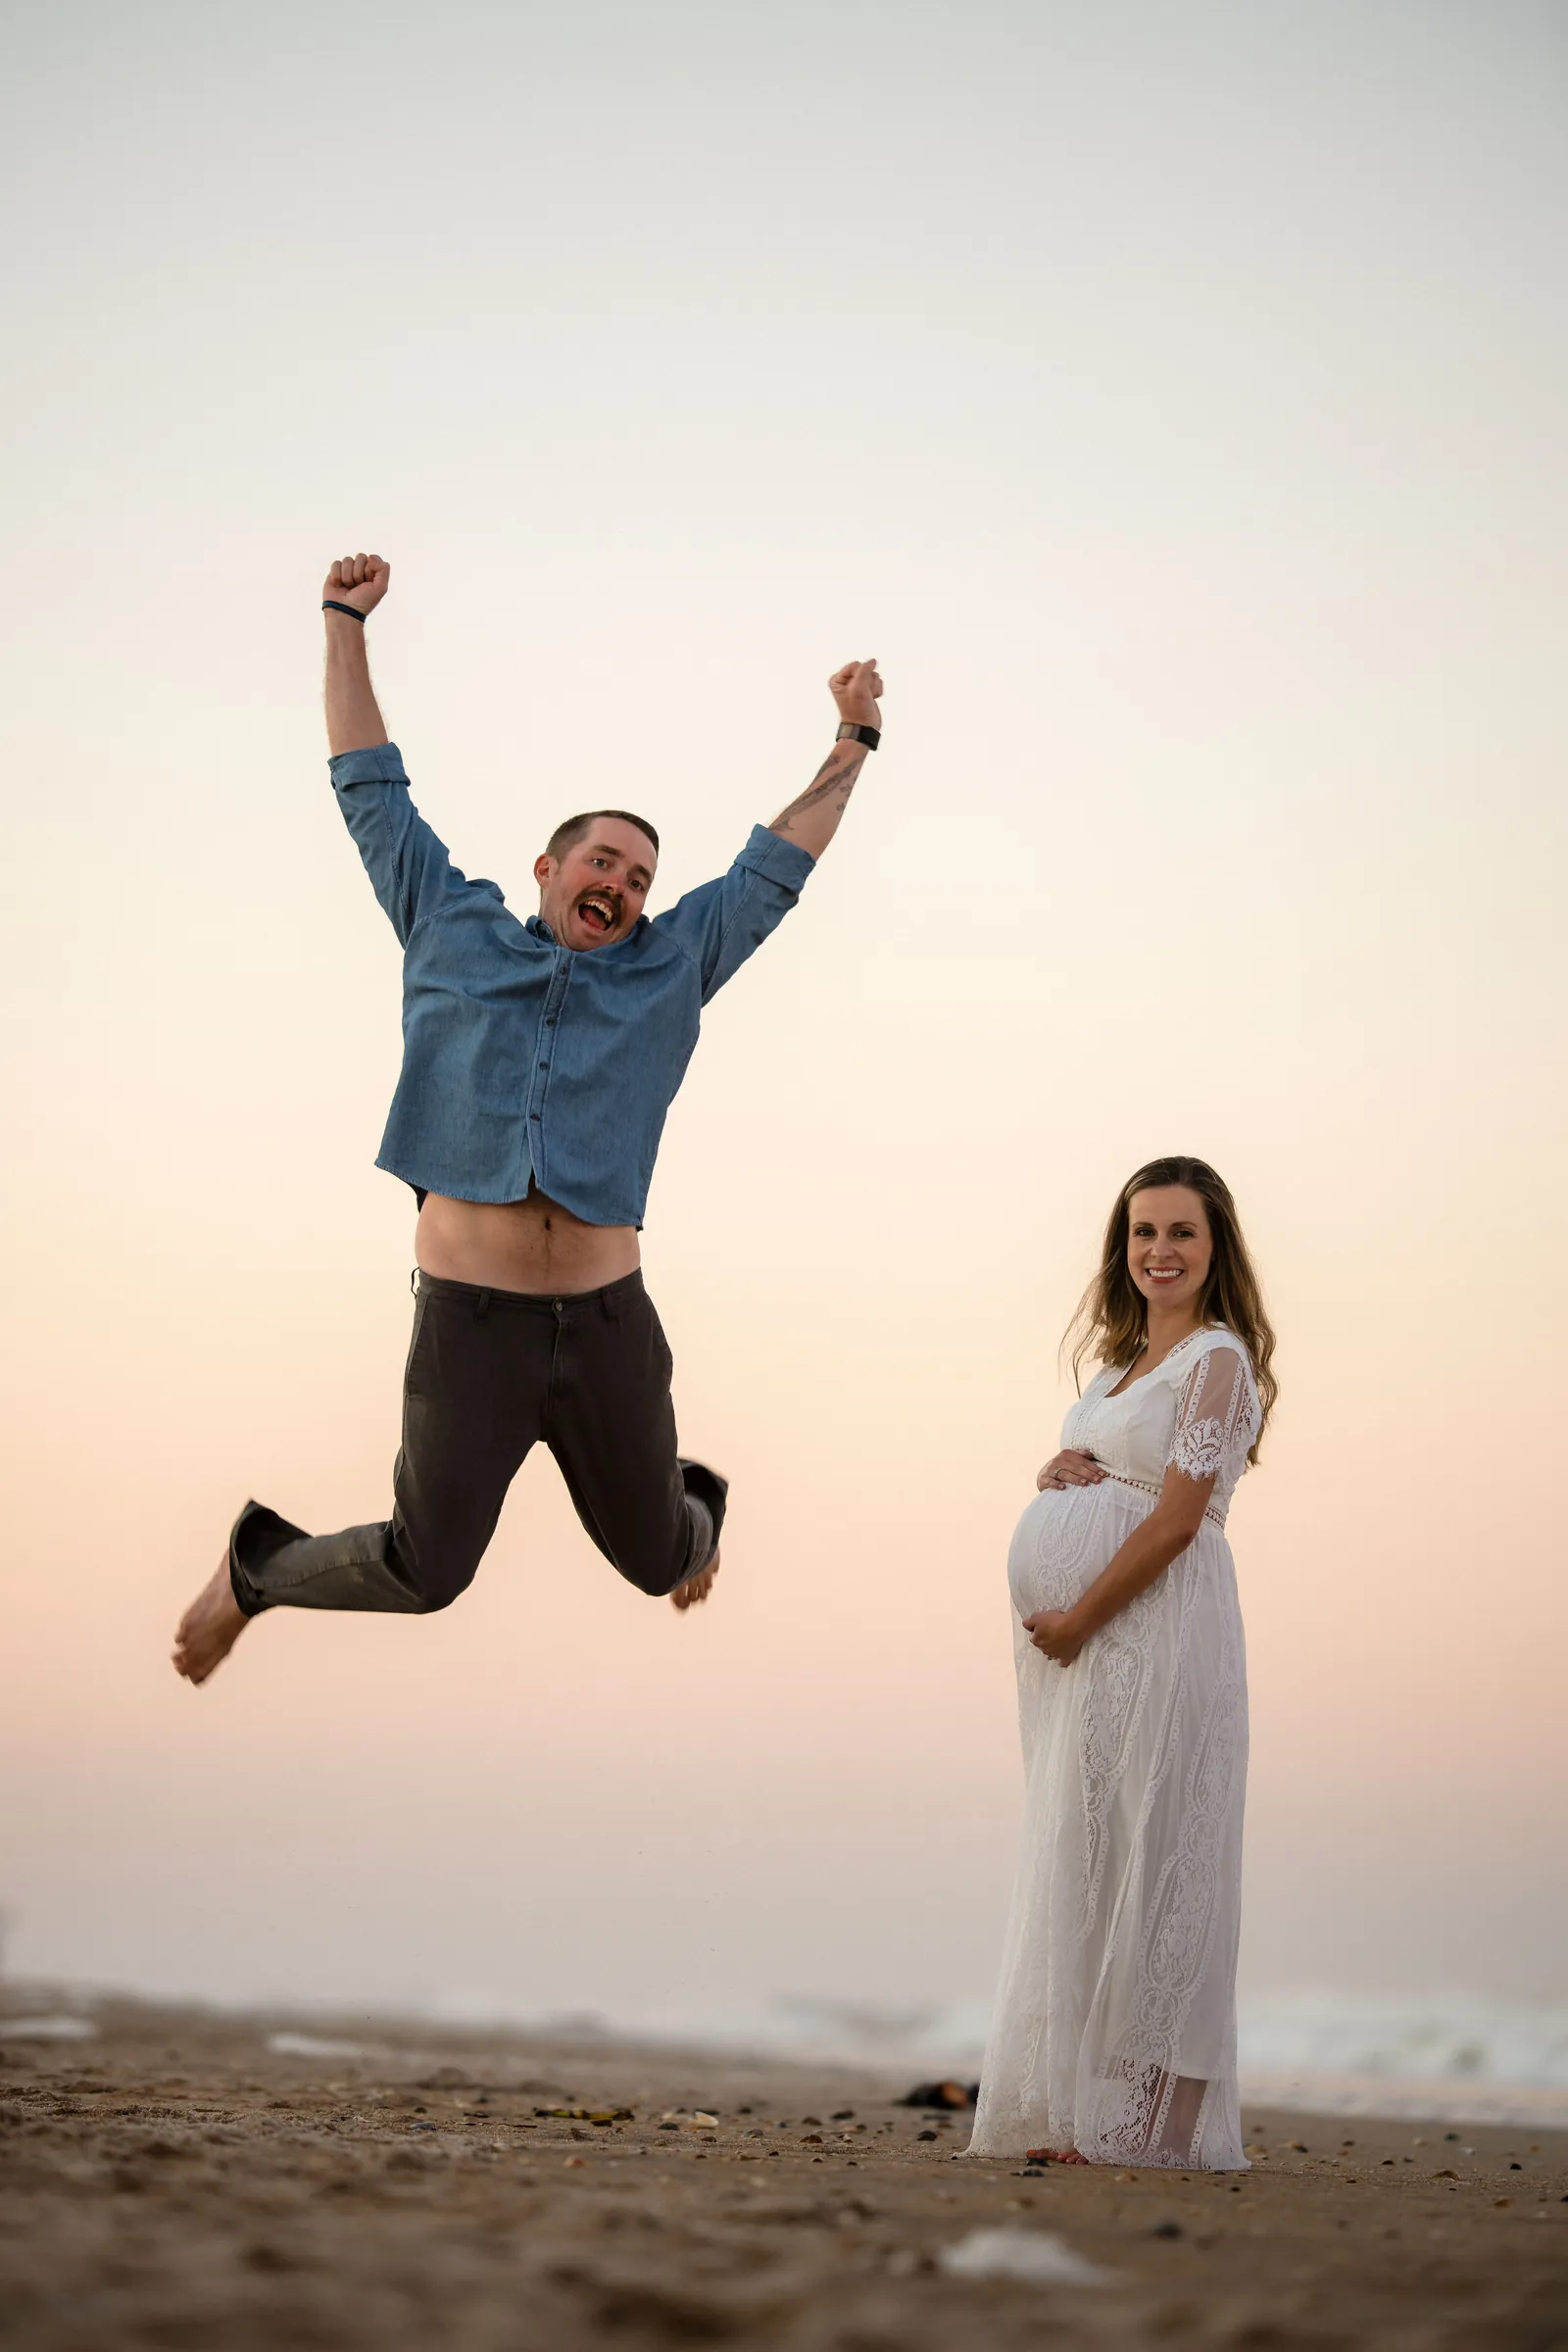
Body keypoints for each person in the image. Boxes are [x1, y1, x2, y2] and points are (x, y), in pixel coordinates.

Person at [172, 552, 883, 1685]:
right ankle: (259, 1570)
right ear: (548, 866)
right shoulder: (447, 925)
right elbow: (368, 785)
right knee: (426, 1569)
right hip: (473, 1329)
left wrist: (853, 741)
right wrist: (342, 622)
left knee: (660, 1560)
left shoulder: (669, 968)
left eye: (643, 877)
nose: (623, 885)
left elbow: (773, 868)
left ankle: (694, 1499)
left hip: (606, 1323)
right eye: (603, 860)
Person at [967, 1156, 1277, 2171]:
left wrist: (1079, 1618)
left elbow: (1178, 1519)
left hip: (1160, 1629)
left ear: (1215, 1247)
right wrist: (1056, 1475)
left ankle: (1165, 2132)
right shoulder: (1112, 1372)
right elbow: (1115, 1479)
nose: (1160, 1252)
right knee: (1098, 1857)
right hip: (1092, 1656)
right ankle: (1094, 2115)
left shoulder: (1217, 1362)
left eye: (1181, 1233)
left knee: (1174, 1859)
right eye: (1143, 1233)